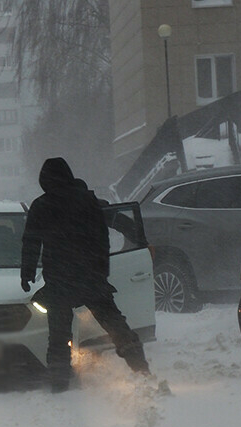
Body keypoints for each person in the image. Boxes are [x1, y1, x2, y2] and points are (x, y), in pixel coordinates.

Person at [20, 157, 151, 392]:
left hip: (59, 282)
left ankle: (59, 383)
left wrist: (27, 271)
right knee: (116, 326)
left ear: (44, 180)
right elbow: (120, 222)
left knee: (59, 336)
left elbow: (31, 242)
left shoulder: (41, 205)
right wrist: (138, 240)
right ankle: (141, 369)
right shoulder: (89, 201)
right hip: (91, 278)